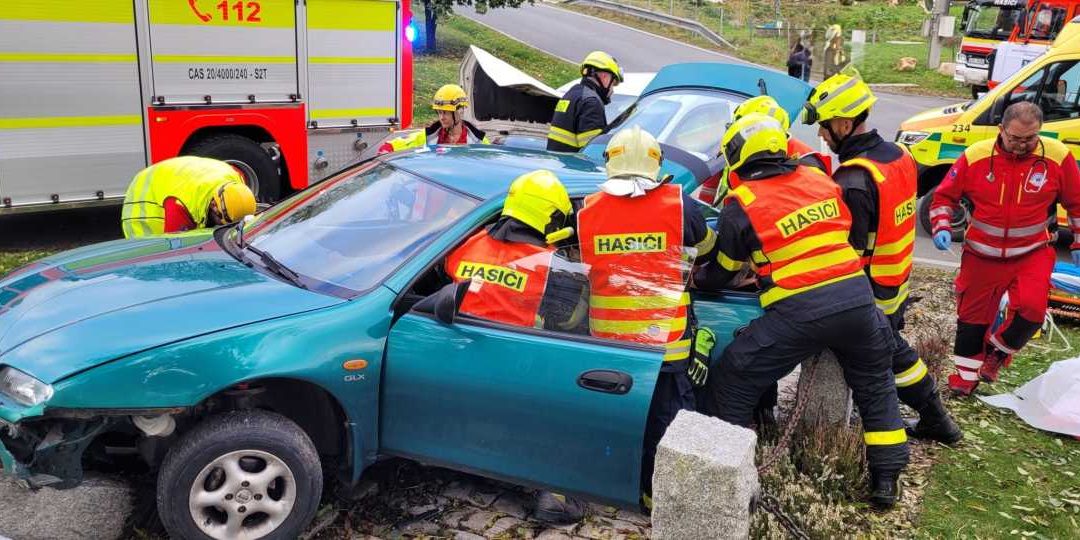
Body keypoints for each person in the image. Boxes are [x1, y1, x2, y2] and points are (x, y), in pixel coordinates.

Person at [696, 113, 909, 510]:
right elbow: (832, 233)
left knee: (737, 373)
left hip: (800, 311)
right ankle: (886, 480)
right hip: (858, 301)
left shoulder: (740, 204)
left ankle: (719, 468)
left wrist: (699, 277)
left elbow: (721, 273)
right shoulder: (818, 179)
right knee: (876, 387)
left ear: (736, 157)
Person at [803, 71, 962, 444]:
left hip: (869, 292)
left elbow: (846, 254)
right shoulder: (898, 156)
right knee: (894, 354)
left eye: (825, 127)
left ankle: (930, 423)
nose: (822, 135)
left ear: (844, 122)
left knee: (885, 362)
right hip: (896, 282)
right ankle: (937, 419)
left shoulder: (854, 179)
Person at [576, 125, 715, 510]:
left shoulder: (587, 209)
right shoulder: (680, 203)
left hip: (610, 345)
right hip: (665, 345)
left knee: (616, 421)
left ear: (610, 164)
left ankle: (609, 486)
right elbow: (705, 248)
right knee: (668, 425)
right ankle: (660, 500)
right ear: (657, 166)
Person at [930, 102, 1080, 395]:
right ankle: (963, 382)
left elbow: (1076, 204)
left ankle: (997, 355)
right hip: (980, 255)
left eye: (1030, 138)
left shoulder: (1057, 157)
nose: (1022, 145)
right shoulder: (976, 156)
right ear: (1001, 130)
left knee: (1032, 312)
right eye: (1015, 138)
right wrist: (942, 226)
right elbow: (943, 198)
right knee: (971, 322)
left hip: (1032, 252)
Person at [444, 169, 586, 333]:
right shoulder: (552, 264)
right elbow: (567, 321)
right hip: (513, 348)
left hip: (453, 334)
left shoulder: (467, 241)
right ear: (553, 217)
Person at [697, 94, 829, 205]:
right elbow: (712, 177)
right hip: (732, 213)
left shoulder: (807, 161)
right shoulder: (738, 143)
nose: (739, 135)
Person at [121, 156, 256, 239]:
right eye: (222, 223)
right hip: (143, 197)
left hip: (178, 177)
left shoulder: (236, 178)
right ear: (214, 206)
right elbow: (178, 247)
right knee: (154, 253)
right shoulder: (180, 205)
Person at [547, 51, 623, 152]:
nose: (612, 90)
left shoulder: (571, 95)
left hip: (558, 163)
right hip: (574, 166)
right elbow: (593, 151)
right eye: (613, 83)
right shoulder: (591, 102)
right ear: (605, 77)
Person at [378, 84, 488, 154]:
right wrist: (388, 148)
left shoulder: (478, 141)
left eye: (445, 113)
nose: (441, 118)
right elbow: (402, 142)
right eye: (439, 112)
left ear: (459, 111)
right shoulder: (429, 135)